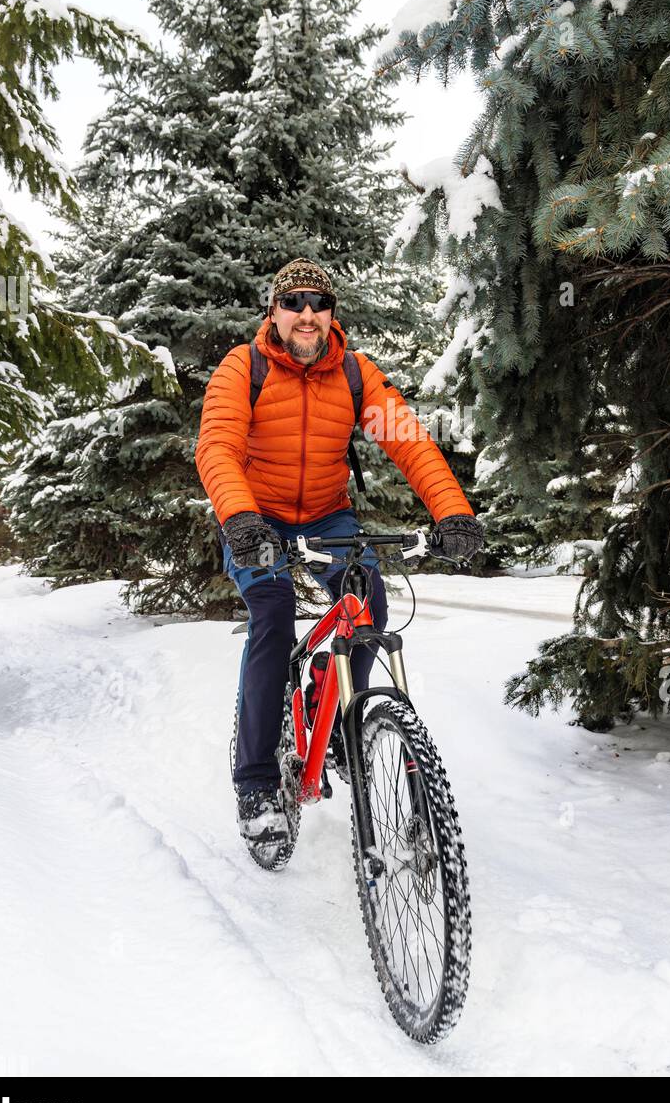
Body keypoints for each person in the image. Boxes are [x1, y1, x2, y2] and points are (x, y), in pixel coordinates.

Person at [194, 257, 484, 846]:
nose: (306, 314)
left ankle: (337, 713)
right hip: (256, 516)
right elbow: (217, 447)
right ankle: (255, 781)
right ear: (273, 312)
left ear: (331, 315)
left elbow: (409, 440)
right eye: (293, 302)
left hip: (328, 516)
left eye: (318, 303)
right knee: (272, 621)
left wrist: (453, 510)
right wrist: (242, 519)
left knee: (368, 606)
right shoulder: (242, 368)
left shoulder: (354, 374)